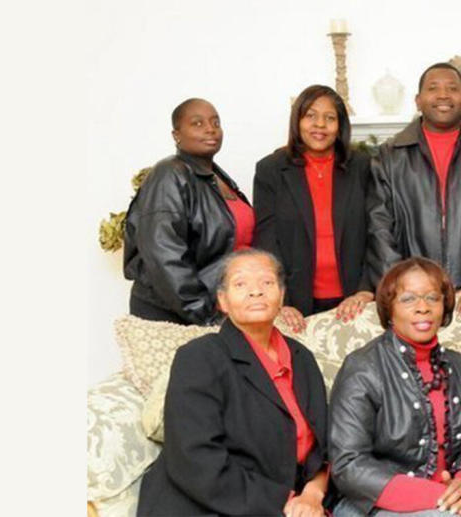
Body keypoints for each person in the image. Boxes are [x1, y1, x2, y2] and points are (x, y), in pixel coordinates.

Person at [137, 249, 330, 517]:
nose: (256, 292)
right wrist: (284, 503)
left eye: (267, 283)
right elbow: (196, 459)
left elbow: (322, 447)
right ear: (222, 301)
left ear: (281, 296)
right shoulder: (199, 357)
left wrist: (312, 494)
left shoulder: (302, 357)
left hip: (292, 506)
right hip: (203, 505)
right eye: (241, 284)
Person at [329, 258, 461, 517]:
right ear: (389, 308)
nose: (423, 308)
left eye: (433, 297)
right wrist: (438, 496)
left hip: (453, 493)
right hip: (375, 501)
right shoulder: (362, 368)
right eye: (408, 299)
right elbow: (349, 464)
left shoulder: (460, 366)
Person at [365, 62, 461, 320]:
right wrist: (403, 285)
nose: (443, 95)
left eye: (452, 88)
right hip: (411, 294)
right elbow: (380, 225)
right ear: (418, 100)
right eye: (433, 88)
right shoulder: (390, 155)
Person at [124, 98, 255, 325]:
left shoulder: (217, 177)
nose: (210, 129)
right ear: (176, 135)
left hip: (219, 306)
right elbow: (164, 253)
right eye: (197, 123)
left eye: (216, 122)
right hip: (175, 314)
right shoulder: (169, 174)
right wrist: (205, 314)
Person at [253, 84, 372, 330]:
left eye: (330, 118)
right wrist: (279, 300)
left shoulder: (362, 166)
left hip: (354, 300)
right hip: (295, 302)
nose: (320, 125)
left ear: (340, 126)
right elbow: (266, 240)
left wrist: (365, 291)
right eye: (311, 116)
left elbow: (376, 231)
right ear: (297, 120)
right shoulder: (271, 170)